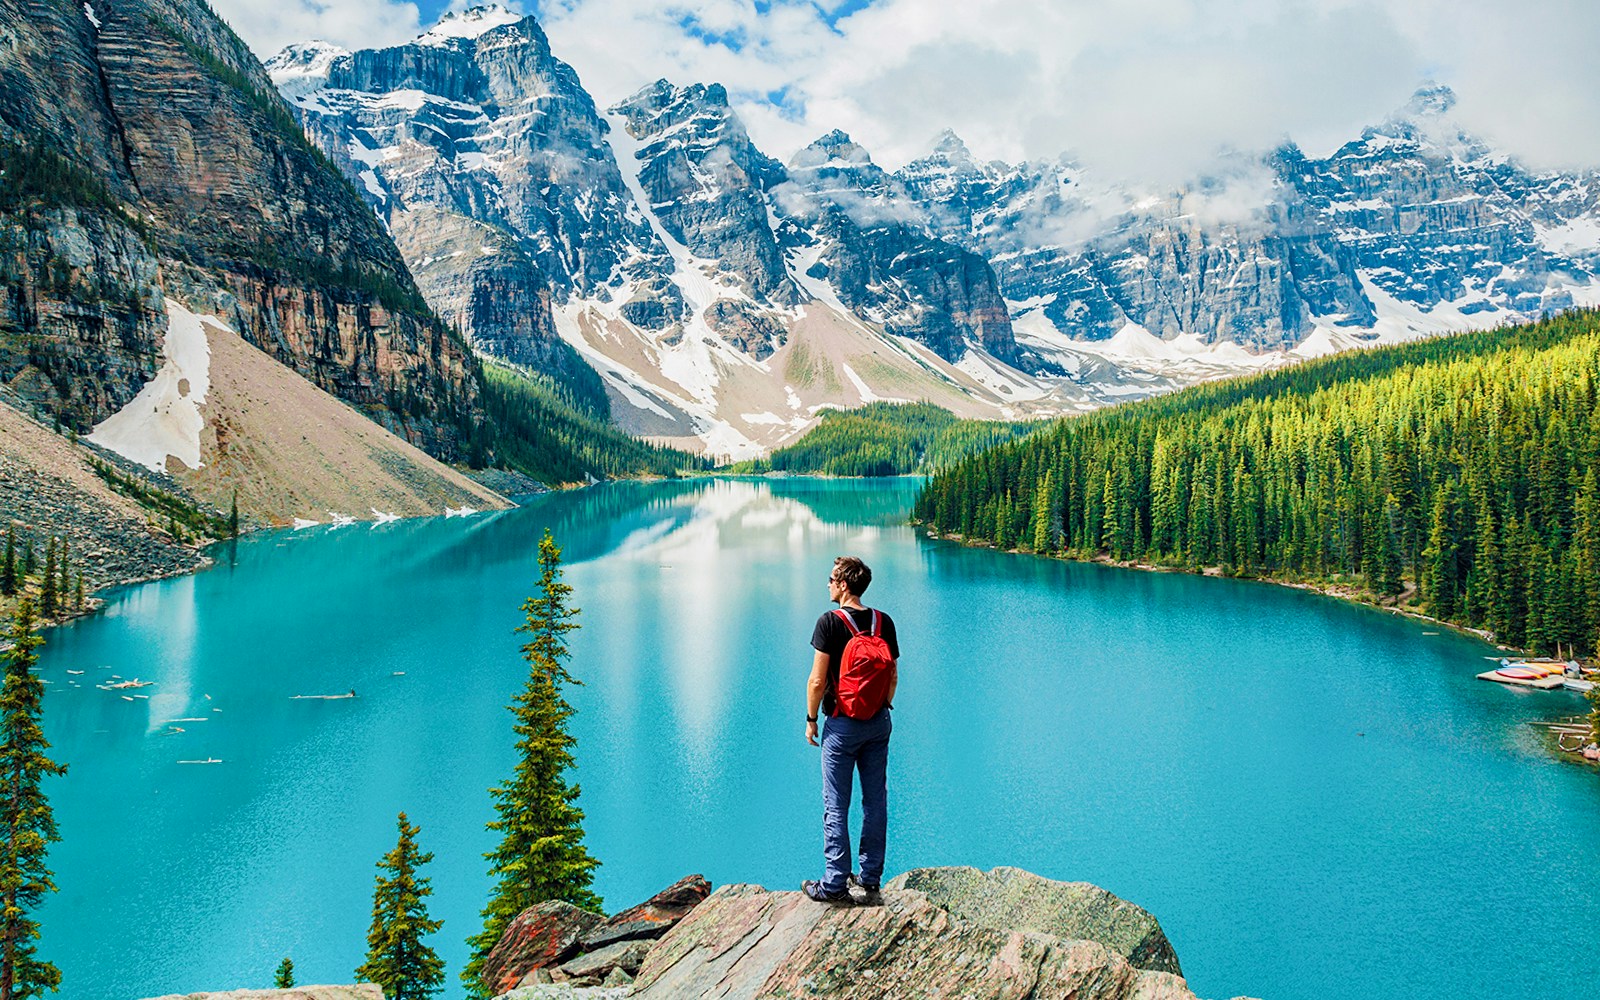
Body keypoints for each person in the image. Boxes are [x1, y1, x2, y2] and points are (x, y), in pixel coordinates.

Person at [802, 556, 898, 905]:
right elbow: (893, 677)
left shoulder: (829, 622)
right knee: (875, 801)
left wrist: (811, 719)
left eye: (831, 579)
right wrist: (880, 709)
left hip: (842, 726)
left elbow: (817, 680)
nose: (827, 584)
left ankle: (834, 884)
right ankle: (870, 877)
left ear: (843, 584)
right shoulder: (882, 621)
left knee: (835, 804)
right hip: (877, 723)